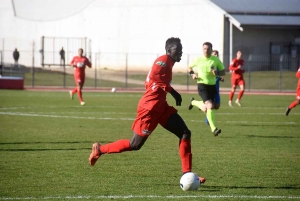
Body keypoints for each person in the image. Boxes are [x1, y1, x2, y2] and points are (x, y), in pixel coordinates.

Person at [89, 37, 206, 184]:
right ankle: (99, 150)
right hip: (149, 109)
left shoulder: (169, 62)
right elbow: (154, 74)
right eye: (178, 49)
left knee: (184, 133)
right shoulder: (163, 60)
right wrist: (172, 91)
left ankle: (187, 174)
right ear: (169, 50)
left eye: (181, 48)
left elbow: (151, 81)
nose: (181, 51)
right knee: (135, 145)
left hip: (161, 107)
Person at [188, 42, 225, 136]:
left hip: (212, 87)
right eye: (204, 49)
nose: (206, 51)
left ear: (211, 50)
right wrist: (192, 74)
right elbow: (189, 67)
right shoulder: (198, 59)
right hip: (202, 85)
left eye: (208, 49)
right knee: (210, 106)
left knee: (205, 108)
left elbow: (223, 71)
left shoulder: (215, 60)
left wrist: (217, 72)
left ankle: (193, 102)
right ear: (202, 49)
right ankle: (214, 129)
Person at [205, 50, 224, 125]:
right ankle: (208, 120)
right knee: (211, 105)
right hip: (210, 87)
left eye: (217, 54)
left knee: (217, 106)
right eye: (214, 54)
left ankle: (199, 105)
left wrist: (219, 78)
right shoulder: (210, 63)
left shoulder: (218, 64)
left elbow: (218, 74)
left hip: (216, 88)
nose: (216, 55)